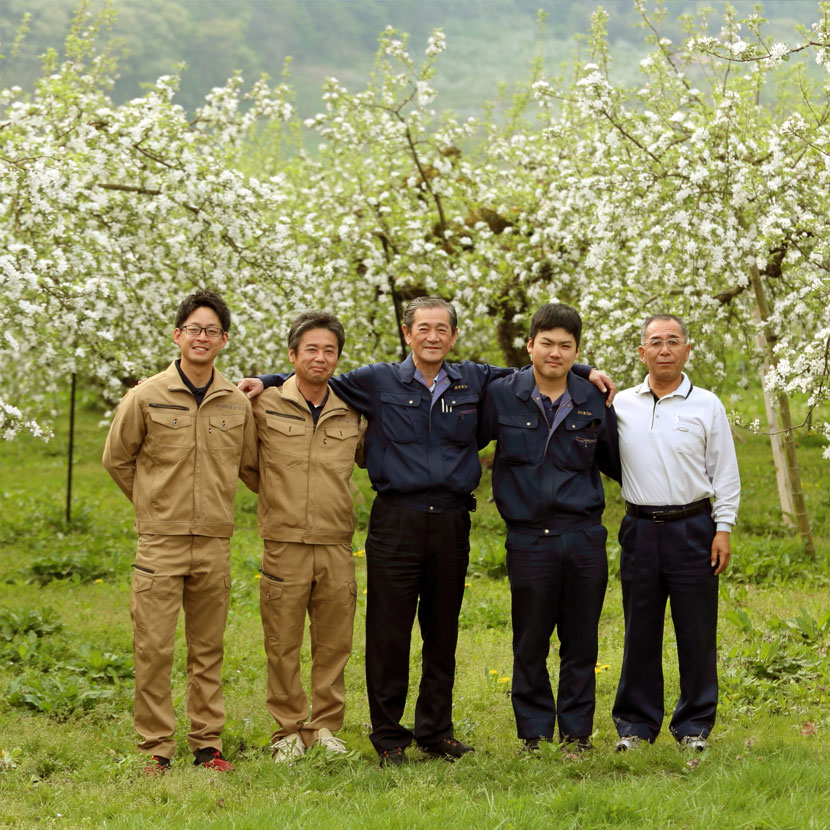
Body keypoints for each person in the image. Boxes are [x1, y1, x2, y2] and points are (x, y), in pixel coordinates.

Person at [239, 296, 614, 766]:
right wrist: (270, 380)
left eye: (442, 329)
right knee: (388, 633)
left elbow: (539, 372)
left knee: (442, 633)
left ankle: (436, 730)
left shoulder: (475, 380)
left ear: (452, 337)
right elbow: (318, 378)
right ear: (406, 333)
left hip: (451, 521)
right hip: (396, 520)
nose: (433, 336)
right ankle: (390, 735)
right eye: (424, 328)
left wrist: (586, 373)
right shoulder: (376, 381)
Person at [102, 290, 258, 775]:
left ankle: (206, 744)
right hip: (160, 544)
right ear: (178, 335)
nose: (202, 337)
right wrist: (154, 507)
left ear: (224, 341)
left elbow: (252, 467)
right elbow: (116, 459)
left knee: (208, 649)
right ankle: (156, 746)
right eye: (194, 329)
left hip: (214, 544)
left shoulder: (236, 402)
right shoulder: (145, 396)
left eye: (212, 331)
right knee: (154, 646)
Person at [479, 303, 620, 755]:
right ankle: (534, 735)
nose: (555, 354)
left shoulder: (594, 398)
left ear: (577, 350)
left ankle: (577, 735)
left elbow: (617, 462)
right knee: (530, 640)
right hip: (528, 539)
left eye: (566, 346)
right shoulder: (502, 394)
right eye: (547, 344)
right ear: (530, 345)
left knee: (581, 641)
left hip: (583, 537)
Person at [611, 314, 740, 752]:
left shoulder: (707, 405)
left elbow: (725, 473)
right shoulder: (621, 403)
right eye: (655, 342)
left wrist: (723, 528)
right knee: (639, 629)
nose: (664, 349)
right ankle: (635, 726)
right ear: (642, 351)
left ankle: (694, 726)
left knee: (697, 630)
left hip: (693, 529)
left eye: (673, 341)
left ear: (687, 349)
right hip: (640, 530)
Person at [252, 312, 365, 763]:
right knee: (282, 642)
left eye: (329, 350)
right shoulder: (263, 405)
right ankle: (287, 731)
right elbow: (247, 465)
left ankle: (325, 727)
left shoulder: (353, 408)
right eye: (311, 349)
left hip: (337, 542)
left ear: (338, 357)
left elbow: (364, 459)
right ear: (292, 355)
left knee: (334, 642)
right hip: (284, 542)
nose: (320, 358)